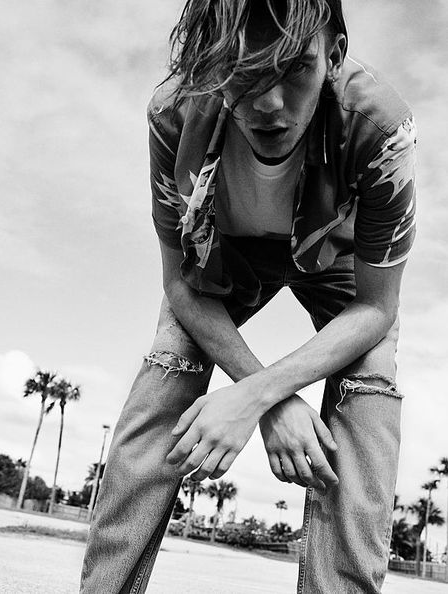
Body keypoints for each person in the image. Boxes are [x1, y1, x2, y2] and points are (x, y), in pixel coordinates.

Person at [79, 0, 417, 592]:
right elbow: (181, 286)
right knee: (173, 352)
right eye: (244, 67)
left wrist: (257, 394)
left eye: (295, 68)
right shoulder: (174, 112)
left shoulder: (381, 127)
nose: (268, 103)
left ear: (333, 56)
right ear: (212, 63)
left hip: (333, 258)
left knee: (373, 372)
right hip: (225, 257)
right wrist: (273, 400)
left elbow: (376, 308)